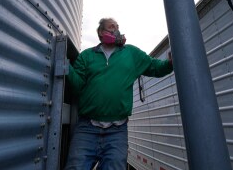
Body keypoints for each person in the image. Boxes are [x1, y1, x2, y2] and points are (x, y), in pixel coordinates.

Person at [64, 17, 173, 170]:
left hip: (117, 132)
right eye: (111, 27)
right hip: (87, 128)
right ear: (101, 33)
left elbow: (155, 67)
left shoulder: (131, 53)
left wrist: (169, 64)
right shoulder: (87, 56)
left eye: (117, 26)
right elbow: (77, 86)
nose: (116, 29)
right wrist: (66, 67)